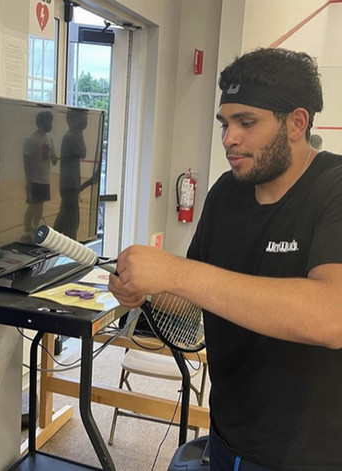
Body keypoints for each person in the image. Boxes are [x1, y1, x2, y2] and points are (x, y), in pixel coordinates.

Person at [109, 48, 342, 470]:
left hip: (311, 453)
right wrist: (146, 291)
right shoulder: (225, 194)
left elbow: (331, 316)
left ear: (296, 122)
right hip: (228, 436)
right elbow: (192, 301)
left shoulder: (334, 188)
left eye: (246, 123)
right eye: (225, 123)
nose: (228, 138)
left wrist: (176, 271)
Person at [22, 110, 58, 242]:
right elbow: (26, 162)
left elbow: (53, 157)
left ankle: (35, 227)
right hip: (34, 179)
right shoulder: (31, 139)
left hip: (45, 179)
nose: (51, 125)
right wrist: (28, 181)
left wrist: (55, 158)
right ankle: (26, 231)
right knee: (32, 205)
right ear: (41, 123)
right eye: (49, 122)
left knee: (40, 205)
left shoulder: (50, 138)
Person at [54, 109, 88, 239]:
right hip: (69, 184)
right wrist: (79, 131)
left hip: (70, 183)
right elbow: (83, 152)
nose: (84, 122)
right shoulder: (71, 137)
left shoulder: (73, 135)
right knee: (71, 222)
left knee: (65, 216)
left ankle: (51, 243)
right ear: (71, 120)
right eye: (81, 119)